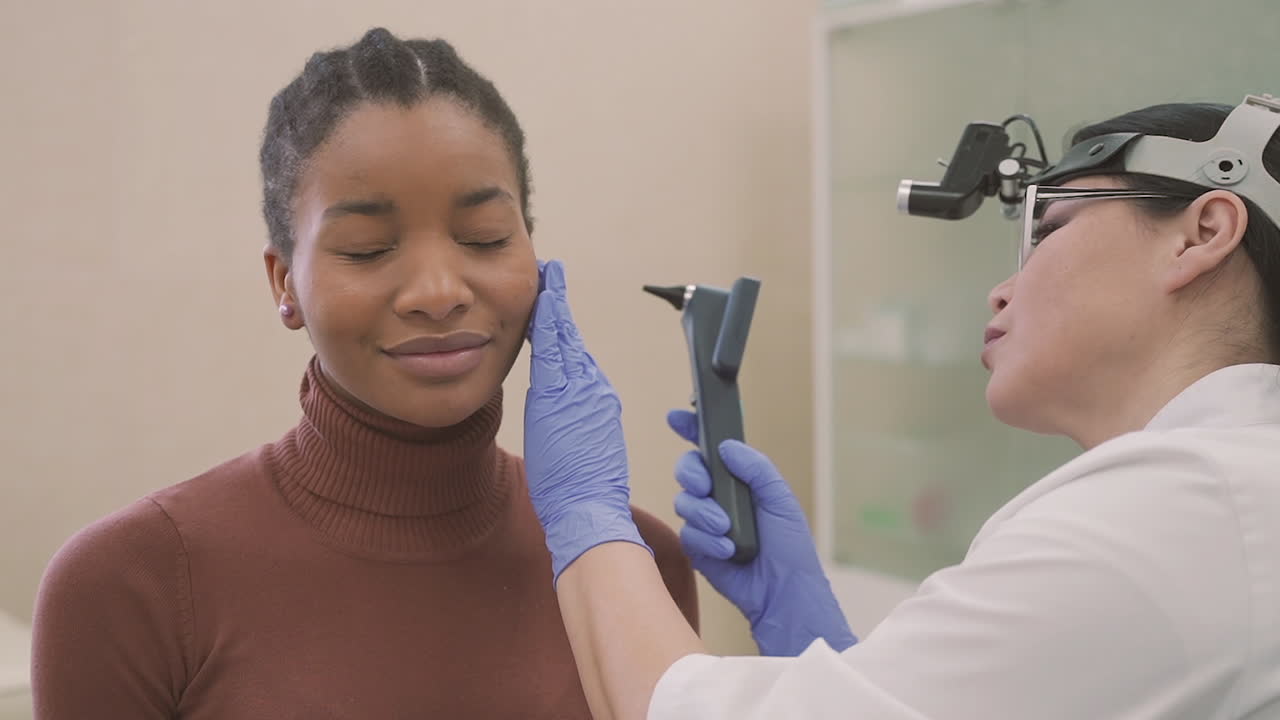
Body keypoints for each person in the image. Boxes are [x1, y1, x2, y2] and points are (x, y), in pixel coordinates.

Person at [520, 96, 1280, 719]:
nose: (1001, 289)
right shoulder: (1222, 497)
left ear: (1202, 234)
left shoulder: (1172, 517)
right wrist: (806, 629)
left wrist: (584, 511)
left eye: (1048, 229)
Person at [30, 27, 696, 719]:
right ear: (284, 281)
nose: (439, 291)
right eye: (368, 248)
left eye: (486, 237)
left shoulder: (639, 568)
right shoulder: (131, 584)